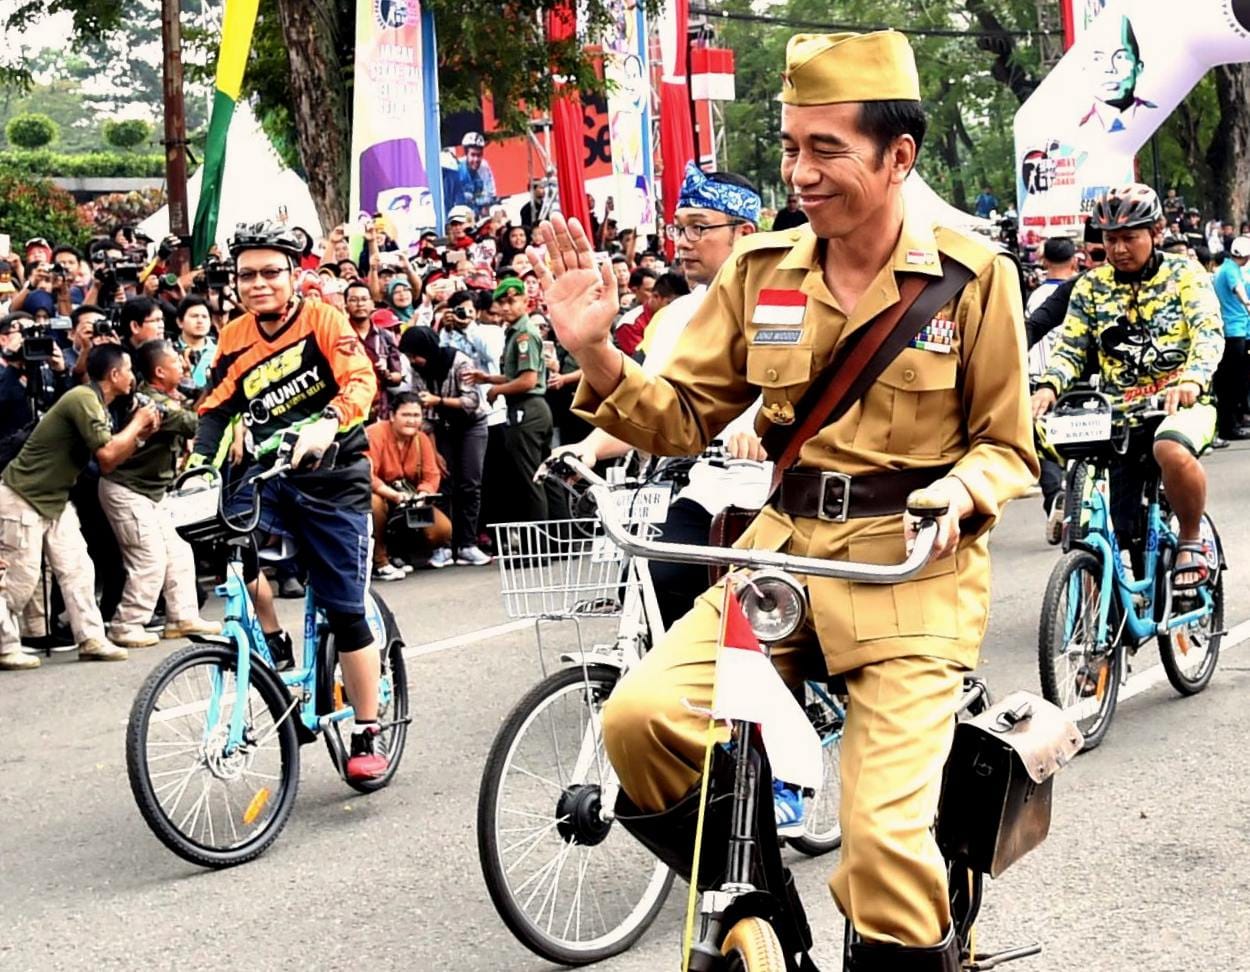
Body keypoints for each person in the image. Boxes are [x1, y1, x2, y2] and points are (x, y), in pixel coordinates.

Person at [532, 30, 1036, 967]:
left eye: (825, 149)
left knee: (885, 845)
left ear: (899, 157)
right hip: (783, 560)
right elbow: (680, 415)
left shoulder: (973, 278)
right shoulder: (762, 272)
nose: (798, 172)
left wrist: (960, 493)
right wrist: (598, 352)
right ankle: (767, 914)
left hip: (913, 574)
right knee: (641, 724)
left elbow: (1008, 445)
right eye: (791, 147)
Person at [190, 221, 388, 782]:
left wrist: (326, 423)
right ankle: (273, 644)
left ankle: (367, 729)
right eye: (246, 275)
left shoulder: (323, 319)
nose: (258, 284)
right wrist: (199, 467)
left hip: (333, 476)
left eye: (270, 272)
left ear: (294, 275)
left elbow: (360, 381)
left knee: (345, 608)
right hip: (270, 473)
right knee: (231, 543)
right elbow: (217, 409)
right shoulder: (233, 337)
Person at [1032, 184, 1224, 594]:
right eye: (1110, 239)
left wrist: (1191, 379)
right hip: (1115, 414)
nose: (1119, 249)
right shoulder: (1089, 287)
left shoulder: (1185, 274)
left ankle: (1191, 540)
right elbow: (1071, 348)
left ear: (1155, 232)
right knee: (1035, 435)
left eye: (1129, 237)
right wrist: (1048, 386)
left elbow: (1208, 335)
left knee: (1169, 447)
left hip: (1180, 405)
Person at [0, 344, 162, 670]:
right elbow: (105, 456)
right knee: (21, 579)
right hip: (22, 495)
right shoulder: (82, 399)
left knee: (78, 569)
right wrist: (137, 423)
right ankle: (4, 647)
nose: (133, 377)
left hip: (56, 500)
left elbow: (111, 462)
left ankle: (91, 638)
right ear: (114, 374)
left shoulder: (97, 403)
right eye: (128, 370)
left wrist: (139, 435)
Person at [99, 340, 220, 647]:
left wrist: (210, 388)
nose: (183, 366)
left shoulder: (169, 396)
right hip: (127, 490)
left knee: (178, 552)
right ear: (159, 371)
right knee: (149, 558)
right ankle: (127, 624)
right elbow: (194, 423)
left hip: (153, 492)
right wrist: (215, 393)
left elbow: (192, 412)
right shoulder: (149, 401)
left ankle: (182, 617)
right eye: (176, 363)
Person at [400, 325, 492, 566]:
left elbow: (471, 401)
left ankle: (467, 544)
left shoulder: (459, 361)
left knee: (470, 483)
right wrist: (433, 452)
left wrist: (438, 400)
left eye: (414, 354)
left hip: (470, 425)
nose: (412, 360)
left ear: (427, 349)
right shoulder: (417, 369)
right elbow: (424, 413)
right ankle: (443, 546)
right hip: (439, 427)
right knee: (444, 483)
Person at [470, 278, 551, 523]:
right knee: (544, 474)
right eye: (501, 302)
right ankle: (558, 534)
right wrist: (488, 378)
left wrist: (497, 390)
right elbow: (515, 374)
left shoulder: (524, 334)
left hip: (527, 408)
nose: (506, 307)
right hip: (530, 408)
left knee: (529, 478)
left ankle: (538, 542)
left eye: (512, 301)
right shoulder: (514, 332)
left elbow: (527, 380)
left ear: (526, 302)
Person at [366, 392, 452, 579]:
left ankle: (399, 554)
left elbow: (432, 475)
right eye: (405, 415)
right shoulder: (375, 433)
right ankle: (379, 562)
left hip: (408, 499)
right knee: (374, 503)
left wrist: (423, 493)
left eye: (416, 415)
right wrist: (390, 494)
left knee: (441, 530)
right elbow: (366, 474)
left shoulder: (422, 439)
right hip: (381, 494)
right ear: (392, 415)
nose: (411, 421)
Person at [343, 281, 404, 421]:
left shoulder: (385, 337)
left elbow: (398, 377)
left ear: (372, 304)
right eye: (353, 300)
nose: (360, 304)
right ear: (345, 305)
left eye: (364, 299)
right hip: (349, 408)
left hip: (379, 409)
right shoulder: (339, 336)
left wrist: (386, 374)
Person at [1210, 235, 1250, 441]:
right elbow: (1239, 290)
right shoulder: (1232, 271)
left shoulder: (1223, 269)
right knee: (1232, 383)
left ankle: (1231, 423)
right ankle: (1229, 426)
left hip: (1231, 329)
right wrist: (1248, 304)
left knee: (1230, 382)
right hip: (1234, 331)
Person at [174, 296, 217, 394]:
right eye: (194, 316)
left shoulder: (222, 350)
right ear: (180, 322)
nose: (200, 321)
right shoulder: (170, 352)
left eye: (205, 317)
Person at [453, 132, 498, 217]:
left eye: (479, 155)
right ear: (466, 154)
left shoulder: (484, 167)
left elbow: (491, 194)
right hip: (461, 215)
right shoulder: (457, 168)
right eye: (473, 155)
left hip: (479, 214)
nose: (476, 159)